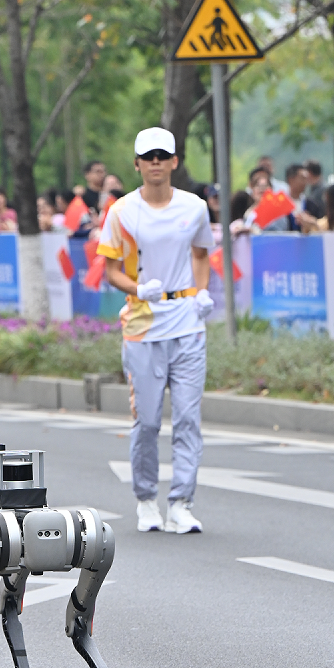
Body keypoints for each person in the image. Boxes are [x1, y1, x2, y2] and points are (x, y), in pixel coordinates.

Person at [97, 127, 214, 536]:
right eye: (148, 157)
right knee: (146, 421)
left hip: (186, 322)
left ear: (175, 161)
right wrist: (135, 287)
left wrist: (200, 293)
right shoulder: (122, 212)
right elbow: (110, 268)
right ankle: (146, 499)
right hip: (143, 323)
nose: (156, 163)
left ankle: (182, 502)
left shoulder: (195, 207)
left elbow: (201, 254)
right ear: (137, 164)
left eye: (163, 156)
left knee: (187, 417)